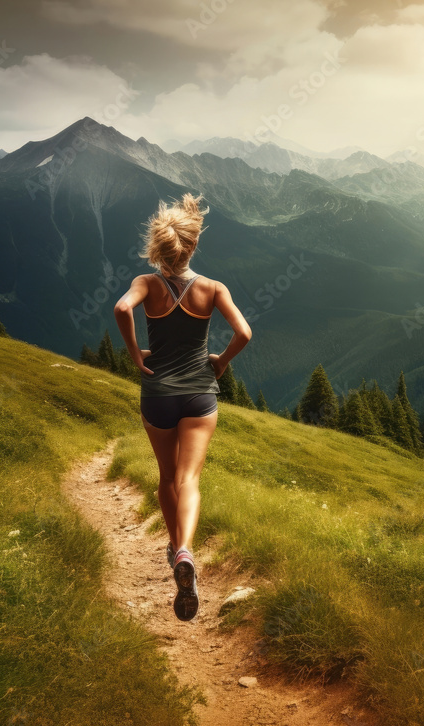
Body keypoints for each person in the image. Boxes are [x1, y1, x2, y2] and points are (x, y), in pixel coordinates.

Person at [114, 193, 251, 621]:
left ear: (159, 247)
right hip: (199, 393)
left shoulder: (146, 284)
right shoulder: (213, 289)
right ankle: (185, 552)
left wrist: (137, 354)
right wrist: (221, 362)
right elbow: (244, 332)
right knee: (189, 478)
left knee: (167, 477)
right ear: (192, 246)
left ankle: (175, 548)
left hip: (157, 396)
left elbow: (122, 308)